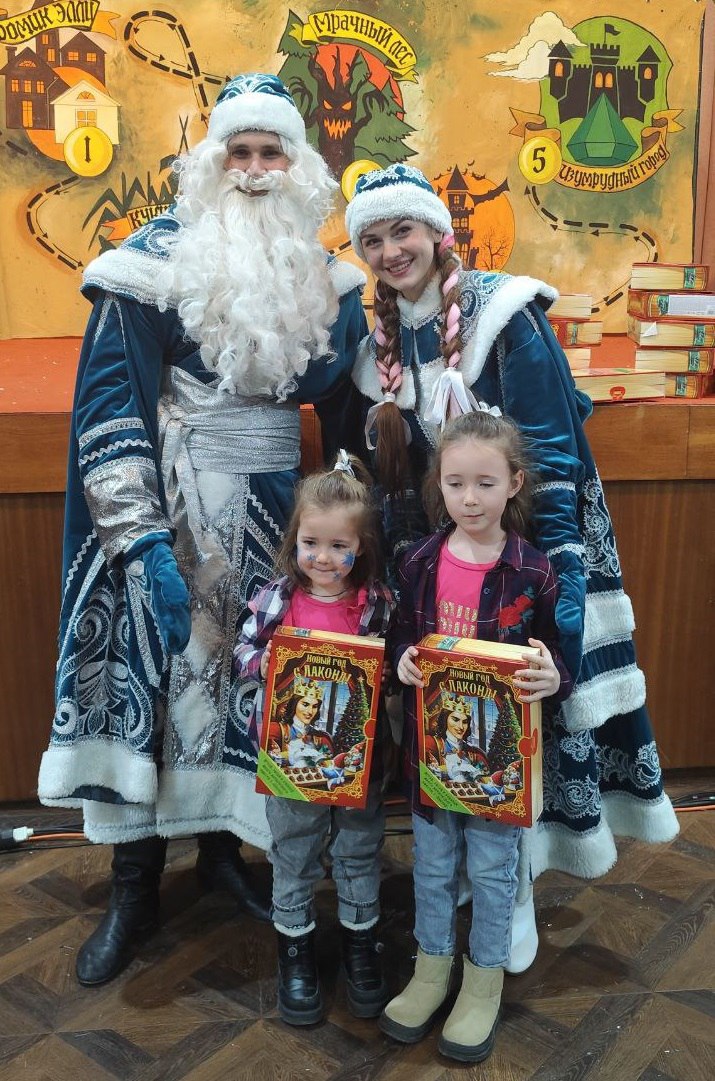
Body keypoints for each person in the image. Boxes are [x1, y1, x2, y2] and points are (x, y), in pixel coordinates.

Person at [36, 73, 368, 987]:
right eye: (240, 152)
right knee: (159, 684)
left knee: (250, 689)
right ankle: (134, 884)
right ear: (212, 161)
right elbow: (109, 407)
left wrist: (352, 518)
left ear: (297, 167)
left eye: (271, 153)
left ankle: (225, 849)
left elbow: (348, 415)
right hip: (171, 518)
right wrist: (141, 544)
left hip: (282, 528)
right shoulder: (146, 269)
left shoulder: (326, 280)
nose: (255, 170)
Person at [343, 162, 679, 973]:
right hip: (442, 579)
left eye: (402, 231)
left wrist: (562, 589)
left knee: (524, 723)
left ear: (436, 232)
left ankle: (514, 892)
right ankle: (467, 889)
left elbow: (552, 456)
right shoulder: (378, 347)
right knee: (461, 731)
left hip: (520, 570)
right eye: (373, 240)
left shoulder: (504, 313)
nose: (390, 251)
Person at [384, 408, 572, 1063]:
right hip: (430, 755)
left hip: (498, 766)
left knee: (493, 871)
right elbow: (399, 639)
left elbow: (557, 657)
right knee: (433, 867)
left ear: (514, 483)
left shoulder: (532, 570)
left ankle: (482, 980)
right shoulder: (418, 563)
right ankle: (431, 969)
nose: (469, 498)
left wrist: (552, 676)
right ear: (437, 483)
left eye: (485, 483)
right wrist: (402, 662)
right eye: (456, 482)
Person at [234, 451, 395, 1026]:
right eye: (311, 543)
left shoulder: (377, 606)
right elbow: (243, 650)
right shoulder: (277, 599)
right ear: (295, 540)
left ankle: (360, 943)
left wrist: (387, 675)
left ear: (361, 548)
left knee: (358, 849)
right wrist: (265, 662)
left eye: (338, 546)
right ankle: (295, 950)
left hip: (359, 758)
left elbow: (396, 667)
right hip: (289, 757)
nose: (323, 558)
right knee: (294, 850)